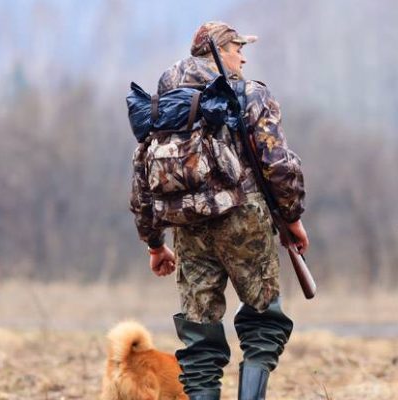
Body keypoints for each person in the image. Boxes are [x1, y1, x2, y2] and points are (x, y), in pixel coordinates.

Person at [130, 21, 309, 400]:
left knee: (199, 341)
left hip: (188, 228)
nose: (243, 56)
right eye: (238, 48)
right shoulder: (249, 94)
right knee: (264, 324)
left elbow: (141, 176)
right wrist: (292, 217)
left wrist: (154, 244)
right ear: (220, 51)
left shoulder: (165, 102)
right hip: (245, 220)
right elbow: (278, 164)